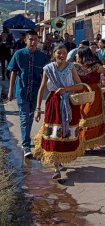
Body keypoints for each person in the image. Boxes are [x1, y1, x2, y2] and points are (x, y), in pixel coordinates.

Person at [33, 44, 84, 179]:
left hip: (68, 103)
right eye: (59, 53)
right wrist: (38, 109)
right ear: (53, 54)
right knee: (54, 133)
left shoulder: (71, 67)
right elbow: (42, 88)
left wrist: (66, 89)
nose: (62, 56)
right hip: (53, 103)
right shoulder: (48, 69)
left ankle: (60, 159)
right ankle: (56, 166)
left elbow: (80, 85)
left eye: (64, 53)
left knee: (65, 132)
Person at [7, 30, 50, 158]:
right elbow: (13, 72)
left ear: (38, 41)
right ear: (25, 40)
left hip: (36, 93)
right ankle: (26, 145)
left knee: (30, 117)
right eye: (30, 39)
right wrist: (10, 91)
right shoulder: (18, 54)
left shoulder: (42, 56)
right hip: (22, 92)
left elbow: (46, 75)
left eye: (35, 39)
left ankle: (26, 139)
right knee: (24, 117)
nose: (33, 42)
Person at [74, 47, 105, 150]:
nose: (76, 56)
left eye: (78, 54)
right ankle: (83, 142)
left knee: (90, 117)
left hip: (94, 95)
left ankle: (89, 142)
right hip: (80, 94)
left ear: (83, 56)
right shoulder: (74, 66)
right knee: (81, 117)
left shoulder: (96, 66)